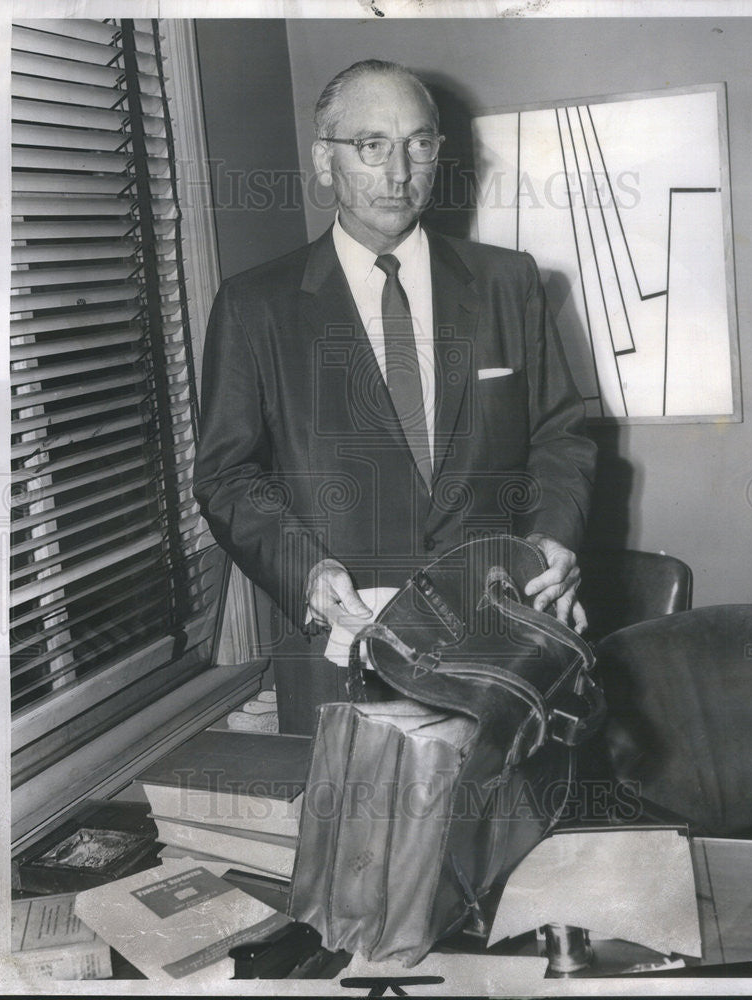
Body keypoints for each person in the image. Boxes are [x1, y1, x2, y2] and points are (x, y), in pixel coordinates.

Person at [193, 60, 597, 727]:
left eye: (420, 143)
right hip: (343, 651)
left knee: (498, 824)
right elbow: (227, 475)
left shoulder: (509, 282)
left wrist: (552, 537)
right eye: (371, 144)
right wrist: (308, 573)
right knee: (354, 829)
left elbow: (560, 436)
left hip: (500, 640)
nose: (399, 170)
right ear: (325, 160)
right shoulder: (253, 306)